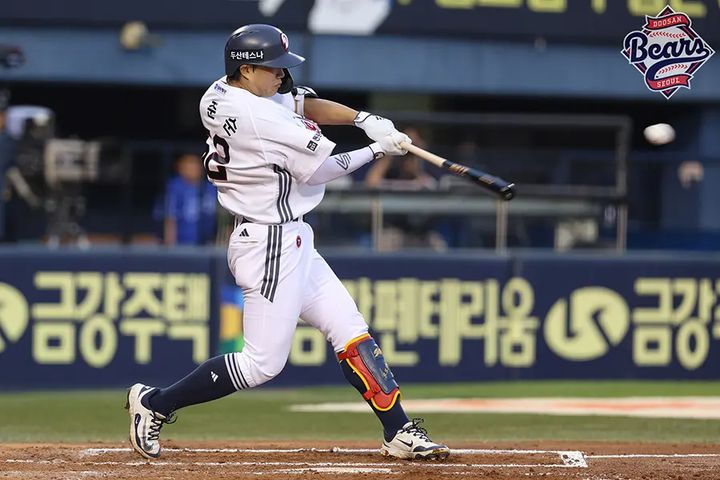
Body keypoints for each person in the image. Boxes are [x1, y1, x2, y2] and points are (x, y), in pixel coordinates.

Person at [125, 24, 449, 461]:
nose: (281, 74)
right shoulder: (260, 119)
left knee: (350, 329)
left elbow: (299, 100)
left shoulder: (219, 92)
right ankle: (155, 403)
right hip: (268, 241)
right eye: (272, 67)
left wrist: (362, 119)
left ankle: (399, 430)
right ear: (246, 69)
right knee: (261, 364)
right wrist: (377, 150)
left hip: (289, 235)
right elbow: (321, 171)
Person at [163, 153, 217, 246]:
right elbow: (170, 217)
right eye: (189, 167)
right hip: (182, 243)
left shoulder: (211, 188)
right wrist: (170, 245)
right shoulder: (176, 187)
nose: (193, 170)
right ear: (181, 169)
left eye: (196, 167)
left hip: (208, 242)